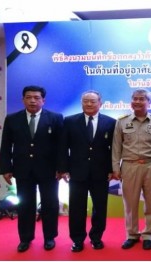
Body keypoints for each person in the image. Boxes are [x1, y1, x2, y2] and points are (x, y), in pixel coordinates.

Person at [0, 85, 63, 252]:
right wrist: (6, 168)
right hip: (23, 169)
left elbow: (61, 146)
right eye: (29, 97)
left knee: (50, 204)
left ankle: (49, 237)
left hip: (49, 170)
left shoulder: (56, 118)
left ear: (43, 100)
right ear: (23, 100)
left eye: (36, 97)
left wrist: (61, 168)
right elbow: (5, 146)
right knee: (25, 205)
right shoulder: (12, 119)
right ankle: (25, 239)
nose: (33, 100)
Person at [57, 90, 116, 252]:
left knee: (100, 207)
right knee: (76, 208)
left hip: (101, 173)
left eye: (92, 101)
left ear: (100, 103)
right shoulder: (69, 121)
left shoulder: (111, 122)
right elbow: (63, 147)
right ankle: (77, 239)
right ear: (82, 103)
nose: (89, 104)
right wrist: (63, 169)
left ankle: (96, 237)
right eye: (85, 101)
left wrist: (112, 169)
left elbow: (114, 149)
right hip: (77, 173)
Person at [112, 88, 151, 251]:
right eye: (135, 98)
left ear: (149, 102)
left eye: (141, 99)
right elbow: (116, 147)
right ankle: (132, 234)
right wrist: (116, 167)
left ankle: (149, 234)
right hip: (129, 165)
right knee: (130, 202)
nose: (137, 101)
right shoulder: (122, 121)